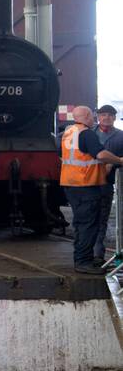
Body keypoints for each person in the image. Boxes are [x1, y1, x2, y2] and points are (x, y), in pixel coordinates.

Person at [60, 105, 122, 274]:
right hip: (86, 185)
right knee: (89, 224)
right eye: (92, 115)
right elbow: (101, 155)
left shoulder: (68, 132)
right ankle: (83, 262)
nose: (94, 118)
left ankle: (83, 258)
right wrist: (119, 160)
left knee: (81, 224)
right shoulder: (87, 133)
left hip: (71, 185)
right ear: (87, 116)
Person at [93, 105, 123, 263]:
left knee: (101, 219)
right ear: (98, 117)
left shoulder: (121, 136)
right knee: (86, 219)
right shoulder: (89, 133)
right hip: (87, 183)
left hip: (106, 183)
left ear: (114, 118)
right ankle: (86, 253)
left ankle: (98, 254)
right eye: (103, 115)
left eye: (110, 115)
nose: (106, 118)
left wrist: (114, 163)